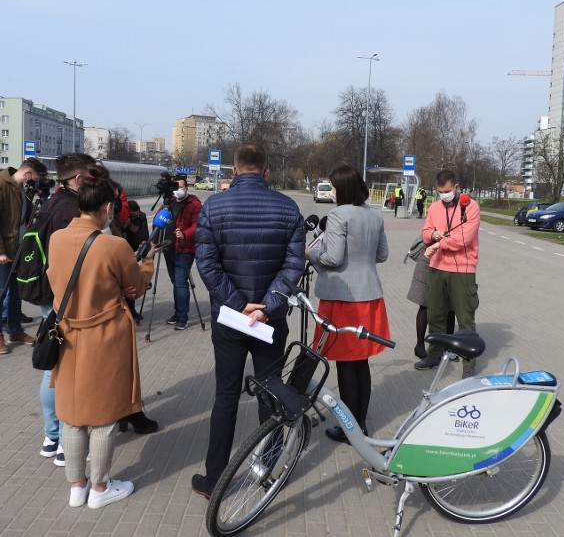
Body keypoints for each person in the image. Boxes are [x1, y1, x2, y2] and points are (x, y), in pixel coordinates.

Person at [191, 143, 305, 498]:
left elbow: (206, 265)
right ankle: (266, 469)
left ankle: (214, 480)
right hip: (269, 321)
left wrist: (239, 305)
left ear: (235, 171)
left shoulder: (213, 206)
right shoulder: (288, 208)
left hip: (229, 320)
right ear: (266, 172)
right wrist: (265, 307)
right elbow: (294, 266)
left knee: (225, 396)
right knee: (270, 395)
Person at [46, 163, 156, 509]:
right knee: (105, 416)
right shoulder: (114, 246)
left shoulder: (57, 237)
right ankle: (100, 488)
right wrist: (148, 263)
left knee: (73, 415)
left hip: (68, 333)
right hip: (104, 335)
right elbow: (136, 286)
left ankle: (76, 487)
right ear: (107, 207)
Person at [307, 164, 389, 442]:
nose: (330, 191)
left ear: (342, 188)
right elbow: (382, 255)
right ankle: (360, 424)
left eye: (331, 186)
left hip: (343, 298)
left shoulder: (338, 215)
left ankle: (348, 428)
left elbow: (332, 258)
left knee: (345, 363)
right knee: (360, 362)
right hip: (369, 294)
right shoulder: (374, 215)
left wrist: (311, 253)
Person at [32, 152, 95, 466]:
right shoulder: (69, 209)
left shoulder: (53, 201)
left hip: (51, 292)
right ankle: (59, 437)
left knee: (52, 366)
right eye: (91, 175)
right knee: (58, 369)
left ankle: (51, 435)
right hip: (64, 296)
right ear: (80, 178)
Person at [0, 157, 48, 355]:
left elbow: (26, 219)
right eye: (35, 179)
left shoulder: (23, 190)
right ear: (28, 174)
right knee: (0, 292)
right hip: (2, 252)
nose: (35, 183)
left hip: (19, 250)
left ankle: (15, 330)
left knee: (16, 292)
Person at [418, 170, 481, 378]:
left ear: (456, 187)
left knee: (465, 317)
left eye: (446, 191)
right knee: (435, 314)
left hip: (462, 269)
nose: (443, 195)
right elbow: (425, 232)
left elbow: (462, 239)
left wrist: (437, 245)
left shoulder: (470, 207)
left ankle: (468, 364)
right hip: (437, 268)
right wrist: (433, 235)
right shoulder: (435, 208)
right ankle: (434, 354)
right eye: (439, 191)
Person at [159, 175, 201, 330]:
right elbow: (159, 219)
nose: (178, 190)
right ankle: (177, 313)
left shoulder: (194, 204)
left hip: (185, 249)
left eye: (181, 187)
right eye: (175, 187)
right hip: (168, 248)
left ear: (186, 188)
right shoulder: (168, 203)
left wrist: (185, 234)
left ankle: (183, 317)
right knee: (175, 282)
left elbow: (198, 225)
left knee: (181, 283)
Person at [405, 244, 456, 369]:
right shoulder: (434, 223)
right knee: (425, 304)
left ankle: (448, 347)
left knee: (450, 307)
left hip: (451, 262)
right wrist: (435, 234)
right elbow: (427, 234)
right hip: (429, 261)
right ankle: (420, 345)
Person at [124, 200, 149, 324]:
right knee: (128, 283)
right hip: (126, 252)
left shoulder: (142, 217)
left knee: (133, 283)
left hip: (138, 249)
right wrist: (125, 225)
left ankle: (132, 310)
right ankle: (129, 310)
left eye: (136, 215)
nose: (134, 217)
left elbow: (145, 236)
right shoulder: (123, 219)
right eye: (132, 215)